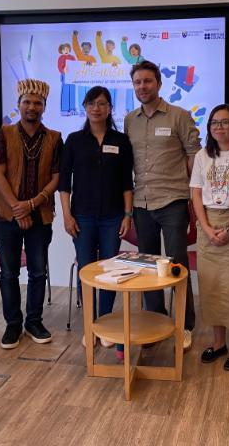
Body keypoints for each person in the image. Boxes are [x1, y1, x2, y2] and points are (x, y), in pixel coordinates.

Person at [123, 60, 201, 351]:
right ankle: (154, 323)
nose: (142, 87)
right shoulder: (130, 120)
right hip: (142, 202)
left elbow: (194, 157)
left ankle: (184, 325)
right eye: (137, 82)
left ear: (159, 83)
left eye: (147, 81)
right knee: (148, 268)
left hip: (173, 202)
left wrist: (195, 197)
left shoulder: (179, 116)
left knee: (177, 266)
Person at [59, 86, 133, 360]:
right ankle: (90, 326)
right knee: (88, 272)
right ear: (85, 107)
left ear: (110, 108)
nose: (96, 108)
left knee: (109, 272)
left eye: (102, 103)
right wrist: (67, 215)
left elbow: (127, 181)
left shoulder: (121, 141)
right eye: (91, 103)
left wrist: (128, 215)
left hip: (113, 217)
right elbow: (64, 182)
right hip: (82, 217)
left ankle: (106, 325)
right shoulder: (75, 140)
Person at [0, 78, 62, 349]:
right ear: (18, 104)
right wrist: (17, 207)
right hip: (6, 217)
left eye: (37, 103)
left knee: (37, 272)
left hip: (40, 216)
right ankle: (12, 324)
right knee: (8, 273)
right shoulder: (3, 134)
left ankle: (34, 321)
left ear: (44, 106)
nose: (32, 107)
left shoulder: (55, 138)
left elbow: (57, 177)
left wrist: (31, 204)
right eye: (27, 102)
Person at [189, 104, 229, 371]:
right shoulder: (203, 155)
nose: (219, 127)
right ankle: (218, 343)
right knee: (211, 288)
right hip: (208, 226)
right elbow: (196, 195)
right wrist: (206, 227)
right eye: (214, 123)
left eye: (225, 122)